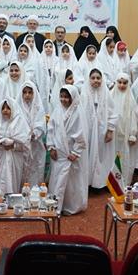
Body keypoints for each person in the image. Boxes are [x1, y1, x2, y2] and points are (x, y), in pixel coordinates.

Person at [47, 85, 88, 215]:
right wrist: (51, 147)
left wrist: (76, 152)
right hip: (58, 153)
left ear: (72, 98)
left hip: (70, 154)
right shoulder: (57, 111)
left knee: (72, 182)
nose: (63, 100)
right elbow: (51, 130)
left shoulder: (78, 113)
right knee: (57, 179)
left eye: (66, 97)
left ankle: (71, 205)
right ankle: (56, 203)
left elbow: (81, 135)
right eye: (62, 96)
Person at [0, 98, 31, 194]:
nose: (5, 110)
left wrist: (13, 145)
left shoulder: (20, 123)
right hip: (0, 158)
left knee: (13, 182)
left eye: (8, 108)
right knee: (0, 183)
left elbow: (26, 143)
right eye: (3, 108)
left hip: (15, 159)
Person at [81, 68, 116, 190]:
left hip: (103, 131)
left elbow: (113, 112)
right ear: (89, 79)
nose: (96, 80)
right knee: (88, 156)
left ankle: (101, 183)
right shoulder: (83, 93)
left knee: (102, 157)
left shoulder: (106, 94)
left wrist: (110, 130)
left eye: (98, 78)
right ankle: (89, 183)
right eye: (93, 78)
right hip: (88, 131)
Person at [110, 73, 138, 185]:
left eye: (125, 83)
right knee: (111, 157)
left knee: (124, 158)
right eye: (119, 82)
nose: (122, 85)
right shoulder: (110, 96)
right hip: (112, 135)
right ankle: (112, 183)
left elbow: (134, 117)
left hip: (126, 134)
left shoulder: (131, 99)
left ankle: (123, 183)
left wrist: (133, 134)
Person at [17, 81, 46, 186]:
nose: (27, 95)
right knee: (22, 170)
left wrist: (34, 133)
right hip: (21, 145)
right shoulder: (17, 107)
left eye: (30, 92)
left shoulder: (38, 107)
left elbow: (41, 124)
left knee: (35, 170)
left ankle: (35, 192)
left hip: (35, 145)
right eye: (24, 92)